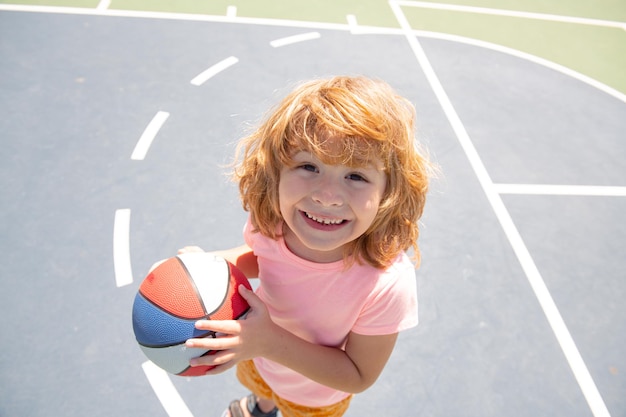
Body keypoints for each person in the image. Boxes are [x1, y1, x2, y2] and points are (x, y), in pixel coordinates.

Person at [181, 75, 433, 417]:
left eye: (356, 176)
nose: (327, 196)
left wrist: (267, 341)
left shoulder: (385, 283)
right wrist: (203, 268)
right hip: (259, 357)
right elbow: (261, 257)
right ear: (276, 171)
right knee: (261, 388)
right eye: (309, 166)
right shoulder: (274, 223)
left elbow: (358, 375)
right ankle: (262, 408)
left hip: (314, 396)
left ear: (389, 193)